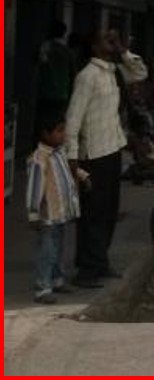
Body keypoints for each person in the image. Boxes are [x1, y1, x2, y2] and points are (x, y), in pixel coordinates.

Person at [64, 29, 128, 287]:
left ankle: (100, 261)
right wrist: (72, 158)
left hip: (113, 148)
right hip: (93, 153)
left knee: (109, 210)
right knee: (92, 213)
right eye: (104, 39)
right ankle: (87, 269)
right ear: (93, 46)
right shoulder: (87, 76)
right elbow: (73, 118)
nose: (109, 42)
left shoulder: (112, 72)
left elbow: (140, 73)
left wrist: (122, 49)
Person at [27, 114, 87, 303]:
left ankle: (57, 279)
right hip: (48, 214)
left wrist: (83, 175)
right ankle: (42, 288)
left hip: (60, 212)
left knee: (58, 248)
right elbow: (34, 189)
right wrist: (33, 214)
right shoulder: (39, 159)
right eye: (59, 130)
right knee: (48, 250)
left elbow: (69, 170)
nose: (63, 134)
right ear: (45, 134)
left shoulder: (59, 152)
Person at [36, 21, 75, 128]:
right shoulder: (68, 51)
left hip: (44, 92)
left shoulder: (45, 47)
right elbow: (73, 74)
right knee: (57, 123)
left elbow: (38, 63)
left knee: (42, 122)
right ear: (64, 33)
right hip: (62, 94)